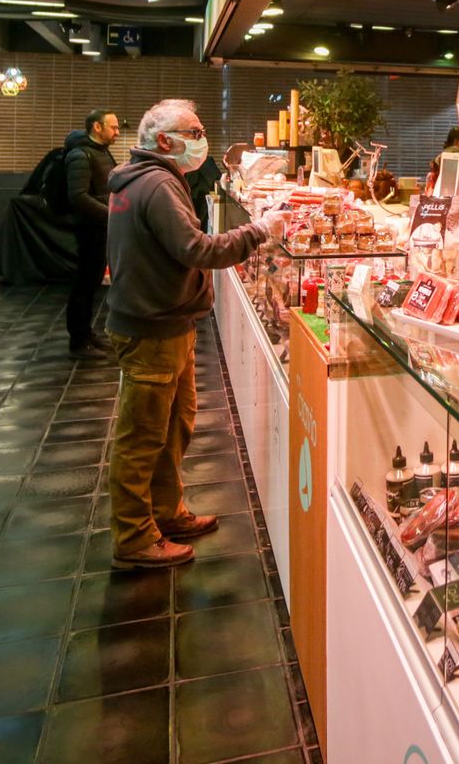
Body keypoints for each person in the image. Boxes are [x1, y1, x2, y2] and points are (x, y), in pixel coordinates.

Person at [105, 99, 286, 568]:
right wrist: (259, 231)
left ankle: (166, 512)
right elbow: (196, 249)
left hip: (166, 321)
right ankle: (133, 537)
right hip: (151, 328)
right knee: (142, 438)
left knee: (173, 428)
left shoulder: (141, 178)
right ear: (164, 141)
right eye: (194, 129)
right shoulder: (159, 183)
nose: (202, 137)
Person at [64, 109, 119, 358]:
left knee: (92, 283)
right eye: (114, 127)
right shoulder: (80, 154)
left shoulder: (101, 152)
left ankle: (87, 333)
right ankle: (78, 340)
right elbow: (78, 196)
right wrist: (111, 214)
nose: (117, 132)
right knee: (84, 284)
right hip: (89, 229)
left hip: (101, 228)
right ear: (97, 127)